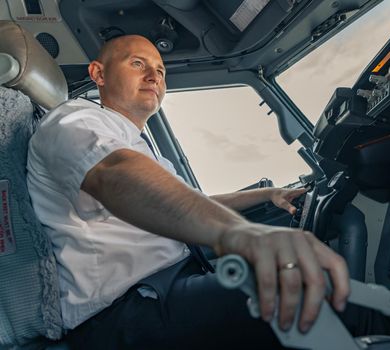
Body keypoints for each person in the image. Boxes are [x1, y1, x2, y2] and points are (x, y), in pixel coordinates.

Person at [26, 35, 350, 349]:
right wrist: (243, 234)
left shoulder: (138, 146)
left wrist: (267, 195)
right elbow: (116, 173)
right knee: (325, 297)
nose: (154, 76)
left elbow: (188, 202)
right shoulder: (72, 120)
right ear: (98, 73)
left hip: (165, 287)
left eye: (161, 70)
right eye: (138, 63)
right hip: (123, 311)